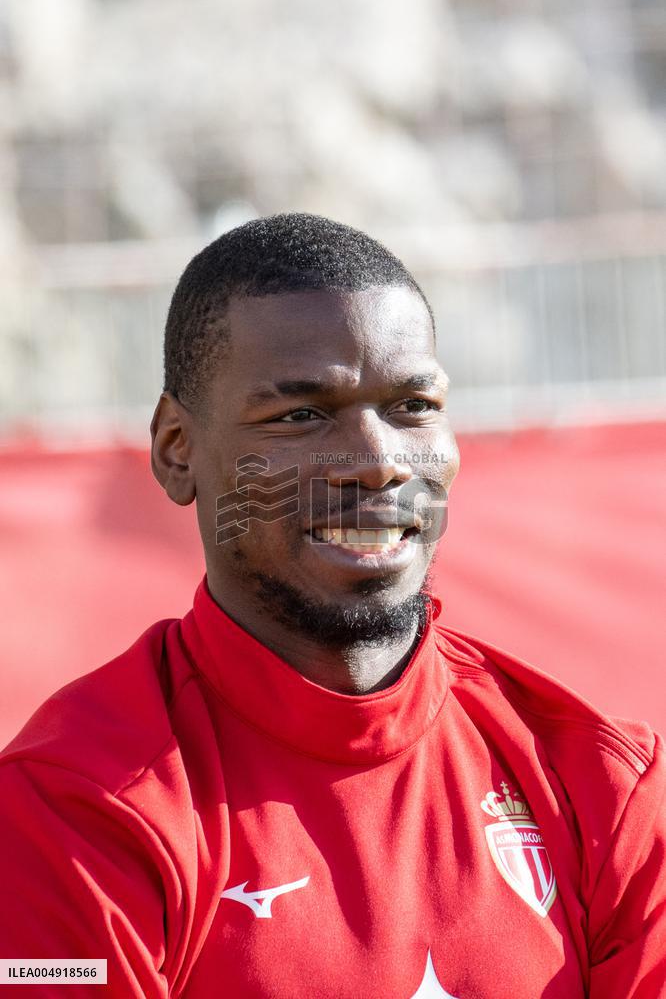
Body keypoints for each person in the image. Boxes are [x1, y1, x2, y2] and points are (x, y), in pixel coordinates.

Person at [0, 214, 663, 998]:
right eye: (300, 416)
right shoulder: (72, 806)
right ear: (177, 449)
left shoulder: (601, 784)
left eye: (414, 406)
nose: (378, 464)